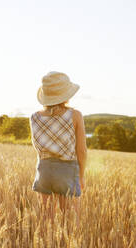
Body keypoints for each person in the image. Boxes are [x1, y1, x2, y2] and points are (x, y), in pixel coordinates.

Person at [30, 71, 87, 218]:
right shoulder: (75, 115)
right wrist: (81, 176)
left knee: (45, 221)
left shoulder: (34, 117)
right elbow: (81, 150)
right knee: (70, 222)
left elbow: (38, 150)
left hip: (44, 170)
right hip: (67, 171)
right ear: (66, 95)